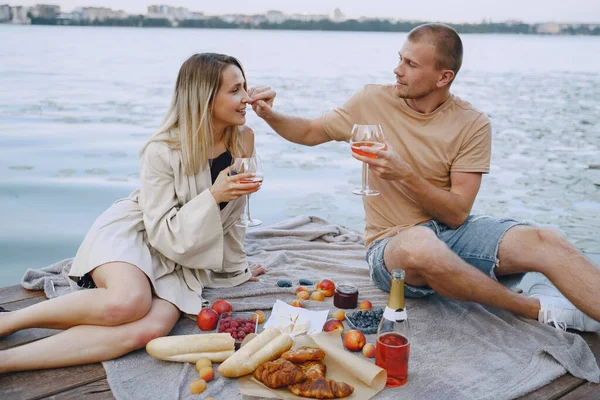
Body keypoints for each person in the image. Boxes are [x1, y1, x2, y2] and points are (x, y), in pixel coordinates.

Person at [251, 23, 600, 332]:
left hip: (452, 232)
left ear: (443, 76)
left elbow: (457, 215)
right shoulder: (371, 99)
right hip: (392, 245)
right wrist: (269, 115)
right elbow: (311, 131)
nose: (397, 70)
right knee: (421, 245)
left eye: (411, 64)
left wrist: (404, 173)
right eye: (400, 59)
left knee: (545, 238)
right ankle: (534, 309)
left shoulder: (472, 123)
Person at [0, 53, 275, 373]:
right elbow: (160, 230)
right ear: (205, 97)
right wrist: (212, 196)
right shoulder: (162, 150)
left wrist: (237, 269)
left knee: (150, 329)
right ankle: (8, 321)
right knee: (128, 302)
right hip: (141, 231)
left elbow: (233, 219)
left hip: (183, 257)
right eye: (236, 90)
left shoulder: (243, 139)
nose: (246, 98)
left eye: (245, 87)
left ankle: (7, 362)